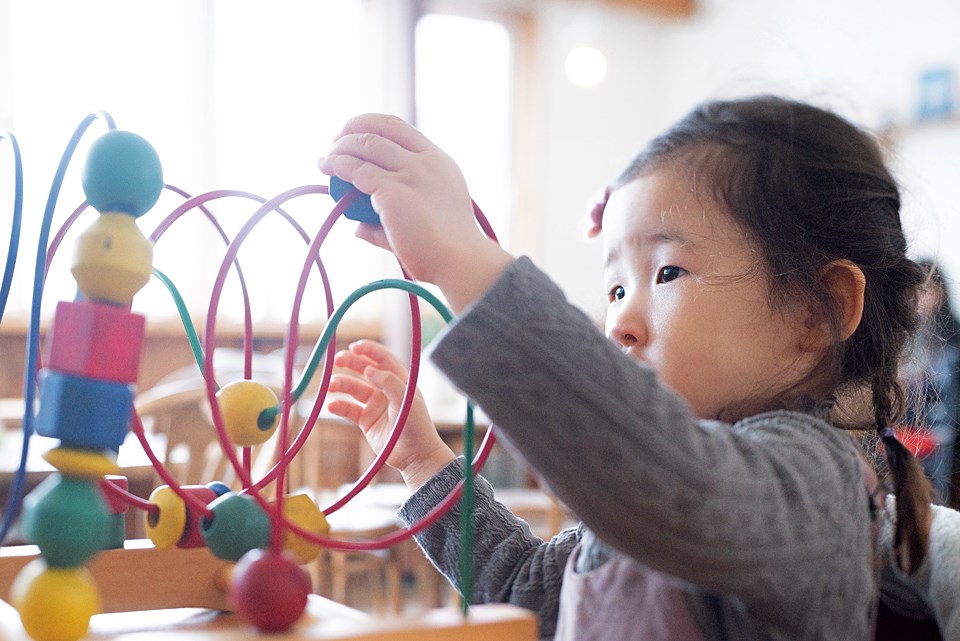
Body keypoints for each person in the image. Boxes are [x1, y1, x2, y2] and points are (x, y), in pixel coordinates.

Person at [318, 96, 936, 640]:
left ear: (815, 311)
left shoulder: (815, 483)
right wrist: (423, 461)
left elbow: (677, 487)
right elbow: (527, 595)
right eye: (614, 289)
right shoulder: (652, 494)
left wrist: (461, 258)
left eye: (667, 272)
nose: (619, 323)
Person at [902, 259, 960, 507]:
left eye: (924, 289)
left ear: (939, 292)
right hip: (910, 430)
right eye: (912, 290)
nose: (918, 298)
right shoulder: (906, 335)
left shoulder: (953, 336)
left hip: (945, 431)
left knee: (938, 495)